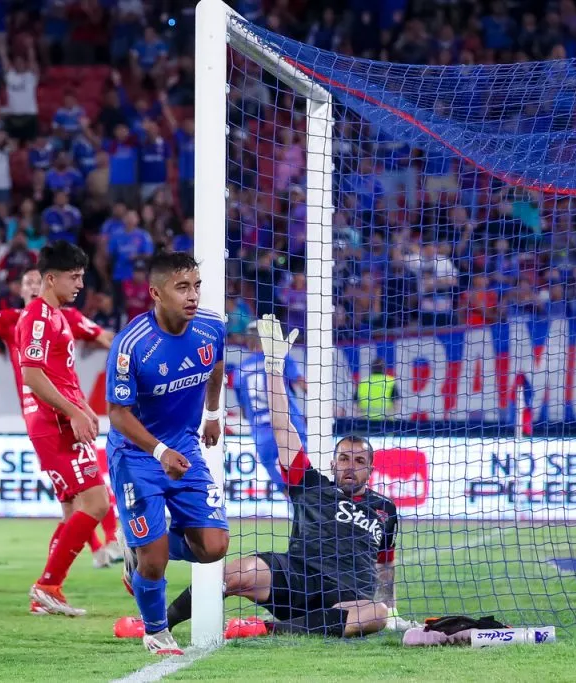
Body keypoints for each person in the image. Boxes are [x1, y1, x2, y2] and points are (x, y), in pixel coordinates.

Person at [163, 316, 397, 640]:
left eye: (359, 461)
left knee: (378, 614)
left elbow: (385, 563)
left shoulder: (385, 508)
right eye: (343, 458)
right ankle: (161, 623)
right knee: (235, 572)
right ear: (332, 463)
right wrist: (274, 368)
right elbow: (283, 427)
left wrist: (390, 603)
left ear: (370, 470)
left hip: (344, 599)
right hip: (296, 578)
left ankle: (268, 630)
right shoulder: (311, 483)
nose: (350, 466)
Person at [0, 268, 123, 582]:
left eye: (36, 280)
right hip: (47, 417)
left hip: (66, 413)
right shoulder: (10, 319)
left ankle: (91, 556)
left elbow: (101, 335)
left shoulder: (66, 316)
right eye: (26, 281)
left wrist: (128, 356)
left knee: (75, 502)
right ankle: (99, 550)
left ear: (48, 282)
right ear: (21, 289)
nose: (31, 285)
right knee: (85, 494)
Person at [105, 251, 230, 655]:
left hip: (185, 445)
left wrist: (212, 414)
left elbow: (215, 367)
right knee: (155, 562)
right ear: (156, 293)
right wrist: (158, 451)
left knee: (213, 547)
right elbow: (117, 414)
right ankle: (156, 630)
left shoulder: (211, 327)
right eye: (182, 288)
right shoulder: (131, 345)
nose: (192, 295)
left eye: (195, 286)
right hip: (136, 455)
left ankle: (141, 547)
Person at [7, 242, 111, 616]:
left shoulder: (56, 317)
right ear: (51, 278)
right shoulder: (36, 317)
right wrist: (74, 412)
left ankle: (45, 596)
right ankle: (48, 584)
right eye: (75, 277)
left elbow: (61, 374)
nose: (80, 284)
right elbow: (33, 376)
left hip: (63, 418)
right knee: (96, 503)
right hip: (52, 423)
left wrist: (83, 407)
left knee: (72, 514)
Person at [232, 320, 308, 492]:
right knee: (306, 479)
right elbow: (302, 384)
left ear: (248, 341)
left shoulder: (240, 371)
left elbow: (244, 410)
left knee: (287, 488)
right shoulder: (279, 358)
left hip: (262, 434)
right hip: (290, 427)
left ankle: (296, 512)